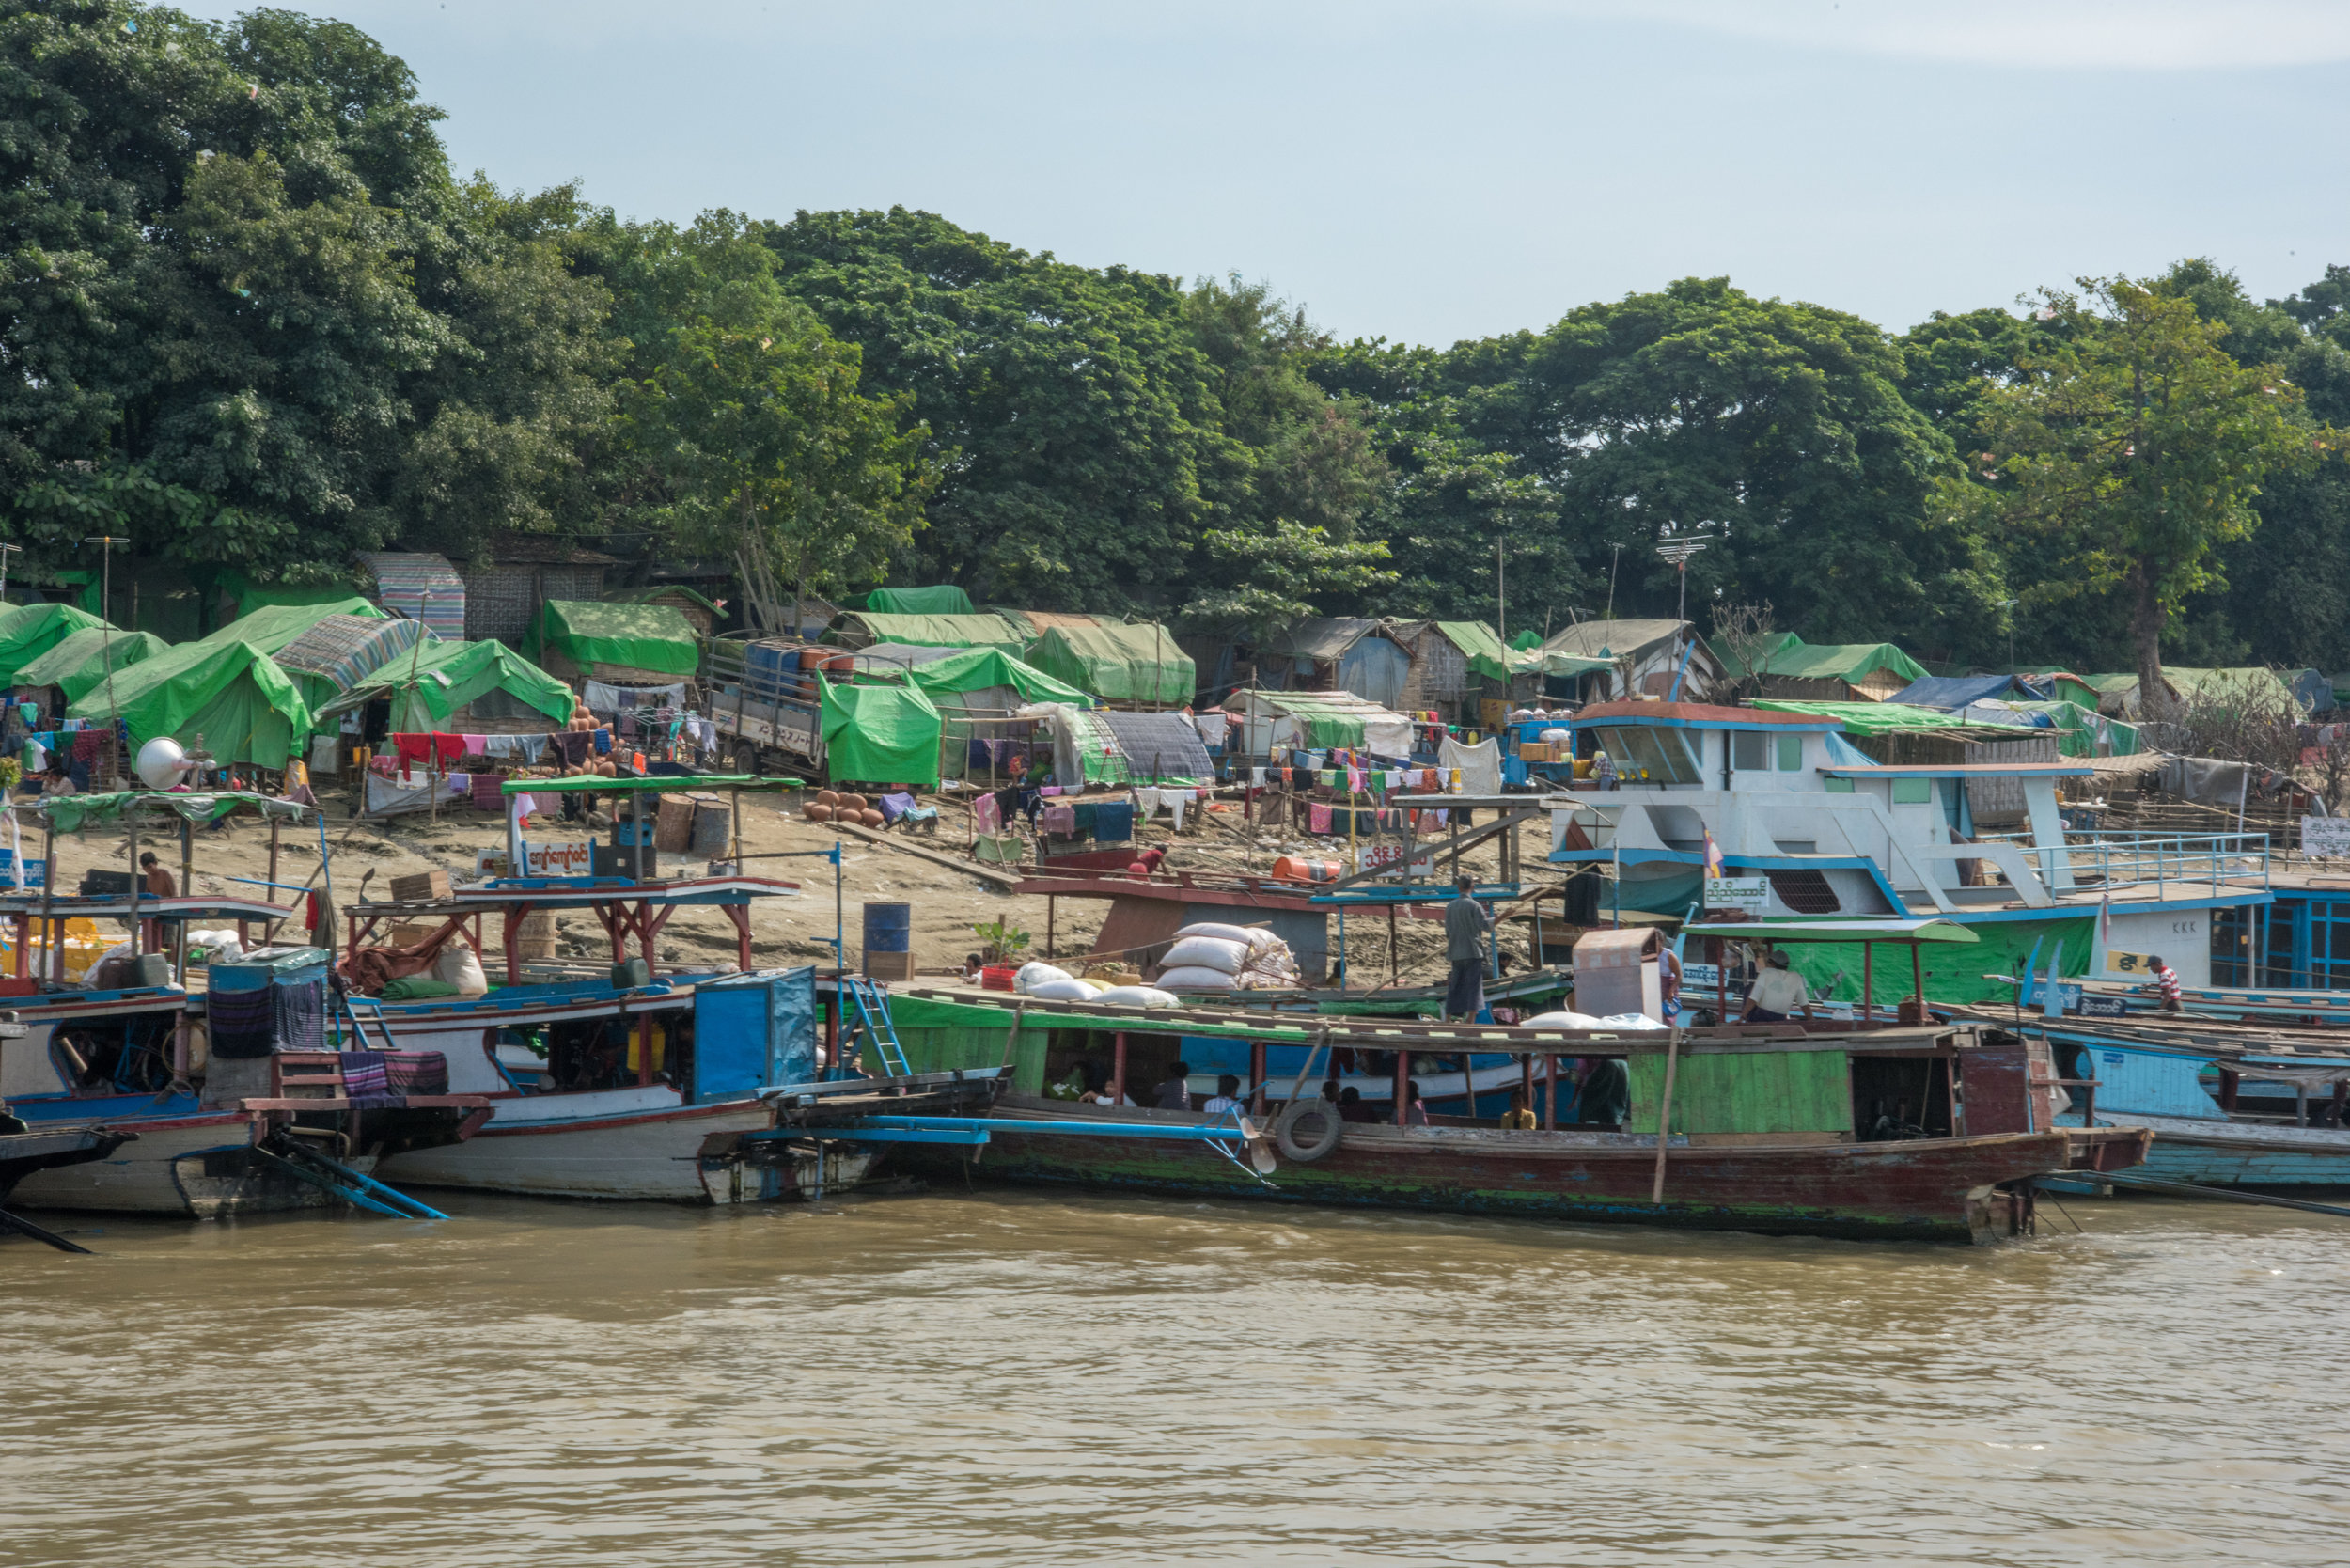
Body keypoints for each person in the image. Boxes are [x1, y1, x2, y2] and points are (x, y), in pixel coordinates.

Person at [1443, 873, 1491, 1023]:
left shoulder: (1450, 906)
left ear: (1459, 887)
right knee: (1474, 986)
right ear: (1473, 886)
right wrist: (1502, 917)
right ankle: (1470, 1018)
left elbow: (1448, 932)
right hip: (1472, 951)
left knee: (1455, 985)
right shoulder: (1474, 906)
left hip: (1455, 952)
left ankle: (1448, 1018)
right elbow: (1485, 926)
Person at [1742, 949, 1812, 1023]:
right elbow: (1804, 1004)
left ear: (1772, 963)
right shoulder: (1796, 977)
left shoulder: (1766, 972)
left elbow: (1753, 998)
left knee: (1749, 987)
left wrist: (1742, 1017)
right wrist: (1811, 1019)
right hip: (1780, 1019)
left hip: (1760, 1017)